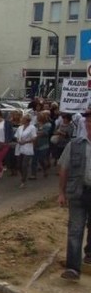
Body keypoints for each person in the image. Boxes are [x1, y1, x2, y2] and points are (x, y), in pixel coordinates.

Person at [58, 113, 91, 281]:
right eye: (88, 120)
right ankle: (73, 268)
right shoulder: (75, 145)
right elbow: (64, 169)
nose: (89, 123)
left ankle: (89, 254)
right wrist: (62, 193)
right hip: (78, 191)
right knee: (75, 230)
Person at [15, 114, 37, 188]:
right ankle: (23, 176)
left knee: (24, 165)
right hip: (20, 147)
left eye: (23, 119)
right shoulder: (20, 127)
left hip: (28, 148)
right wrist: (18, 140)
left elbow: (34, 138)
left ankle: (23, 181)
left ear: (27, 120)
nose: (21, 120)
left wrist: (26, 142)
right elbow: (17, 136)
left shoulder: (32, 128)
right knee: (19, 165)